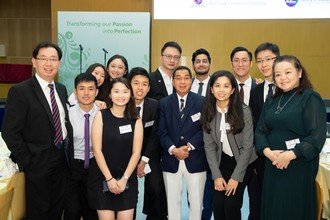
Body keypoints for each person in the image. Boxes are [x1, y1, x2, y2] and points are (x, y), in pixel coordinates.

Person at [1, 41, 72, 219]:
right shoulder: (20, 91)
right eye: (43, 59)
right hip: (36, 164)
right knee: (38, 213)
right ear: (34, 62)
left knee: (57, 210)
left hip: (61, 161)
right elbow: (10, 132)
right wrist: (28, 162)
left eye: (53, 59)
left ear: (59, 63)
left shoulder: (61, 89)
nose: (49, 64)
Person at [255, 55, 327, 220]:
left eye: (288, 72)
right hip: (273, 163)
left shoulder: (310, 98)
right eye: (278, 74)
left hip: (298, 165)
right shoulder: (272, 100)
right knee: (273, 207)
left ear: (299, 73)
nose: (283, 78)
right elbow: (260, 132)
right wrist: (268, 152)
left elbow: (316, 136)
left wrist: (290, 155)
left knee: (292, 208)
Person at [201, 70, 257, 220]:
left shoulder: (243, 111)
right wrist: (216, 176)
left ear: (233, 90)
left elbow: (248, 147)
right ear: (211, 89)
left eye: (226, 86)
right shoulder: (208, 111)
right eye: (217, 86)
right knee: (218, 206)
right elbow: (209, 146)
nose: (221, 90)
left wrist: (236, 178)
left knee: (231, 206)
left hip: (243, 163)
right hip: (222, 162)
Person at [87, 77, 143, 220]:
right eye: (116, 91)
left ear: (130, 94)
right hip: (102, 177)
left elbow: (136, 153)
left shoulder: (135, 119)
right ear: (110, 94)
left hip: (127, 180)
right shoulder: (101, 116)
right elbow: (96, 150)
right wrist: (109, 179)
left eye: (125, 91)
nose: (121, 95)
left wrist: (124, 179)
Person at [158, 66, 208, 220]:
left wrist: (188, 147)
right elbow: (161, 131)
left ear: (191, 81)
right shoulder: (164, 103)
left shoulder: (202, 101)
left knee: (196, 203)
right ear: (172, 81)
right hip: (171, 159)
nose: (182, 81)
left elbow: (205, 129)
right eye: (178, 78)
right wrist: (174, 149)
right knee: (172, 203)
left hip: (196, 158)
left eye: (186, 77)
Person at [128, 67, 167, 220]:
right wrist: (134, 160)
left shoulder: (155, 105)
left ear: (149, 88)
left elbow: (155, 136)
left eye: (144, 84)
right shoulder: (121, 104)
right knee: (130, 191)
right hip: (126, 154)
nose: (140, 88)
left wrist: (144, 160)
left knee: (156, 188)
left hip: (149, 153)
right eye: (136, 83)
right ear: (129, 85)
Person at [247, 42, 280, 220]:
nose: (264, 64)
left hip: (283, 156)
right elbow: (253, 125)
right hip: (259, 156)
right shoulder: (255, 91)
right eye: (260, 61)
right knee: (257, 203)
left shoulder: (288, 89)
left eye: (268, 59)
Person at [63, 73, 99, 220]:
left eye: (91, 89)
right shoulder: (66, 114)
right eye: (82, 88)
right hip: (72, 168)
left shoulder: (103, 114)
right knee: (72, 211)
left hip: (96, 168)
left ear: (96, 92)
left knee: (93, 211)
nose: (86, 93)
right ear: (75, 91)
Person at [190, 48, 213, 220]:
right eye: (198, 61)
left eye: (204, 61)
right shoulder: (184, 83)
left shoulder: (217, 85)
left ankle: (205, 216)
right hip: (191, 146)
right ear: (193, 64)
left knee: (210, 187)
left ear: (209, 64)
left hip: (212, 144)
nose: (201, 64)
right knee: (193, 188)